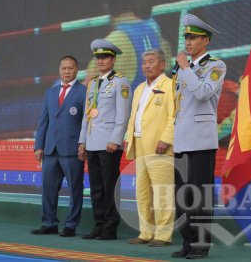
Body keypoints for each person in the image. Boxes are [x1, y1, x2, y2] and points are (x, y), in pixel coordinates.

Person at [171, 14, 226, 259]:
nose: (188, 42)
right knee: (182, 196)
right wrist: (185, 68)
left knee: (200, 195)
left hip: (201, 140)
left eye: (193, 37)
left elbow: (203, 93)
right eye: (186, 37)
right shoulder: (185, 69)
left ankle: (201, 245)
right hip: (182, 139)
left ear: (206, 41)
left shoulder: (215, 66)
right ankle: (186, 242)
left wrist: (185, 68)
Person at [78, 39, 132, 240]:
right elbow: (87, 114)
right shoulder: (92, 83)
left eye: (104, 57)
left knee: (109, 187)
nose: (100, 61)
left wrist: (116, 139)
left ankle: (110, 227)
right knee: (96, 188)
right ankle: (99, 225)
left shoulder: (121, 81)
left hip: (109, 144)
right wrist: (82, 142)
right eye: (98, 57)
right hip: (92, 142)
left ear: (113, 59)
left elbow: (123, 114)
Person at [31, 55, 87, 237]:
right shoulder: (50, 93)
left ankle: (71, 224)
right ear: (59, 70)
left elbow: (87, 121)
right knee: (48, 188)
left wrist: (83, 143)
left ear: (76, 70)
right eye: (64, 68)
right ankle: (49, 223)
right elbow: (43, 121)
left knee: (75, 189)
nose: (67, 71)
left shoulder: (83, 92)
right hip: (50, 149)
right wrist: (38, 146)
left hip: (72, 149)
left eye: (70, 68)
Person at [125, 48, 175, 247]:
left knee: (162, 191)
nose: (146, 65)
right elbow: (134, 118)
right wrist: (129, 137)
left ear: (162, 65)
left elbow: (174, 117)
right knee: (143, 192)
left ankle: (163, 235)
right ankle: (146, 231)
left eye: (151, 61)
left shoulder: (170, 85)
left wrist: (166, 139)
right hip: (139, 145)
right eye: (144, 61)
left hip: (159, 146)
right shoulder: (139, 88)